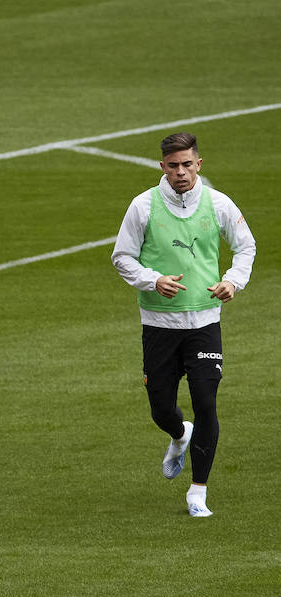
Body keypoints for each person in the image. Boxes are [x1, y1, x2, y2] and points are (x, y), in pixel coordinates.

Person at [111, 131, 255, 517]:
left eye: (187, 165)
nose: (180, 173)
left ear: (199, 164)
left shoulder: (218, 204)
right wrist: (152, 280)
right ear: (162, 167)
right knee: (161, 409)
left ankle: (197, 492)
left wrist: (232, 281)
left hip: (205, 322)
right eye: (173, 166)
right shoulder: (142, 207)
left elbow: (245, 246)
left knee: (206, 402)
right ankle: (179, 434)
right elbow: (122, 257)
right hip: (158, 324)